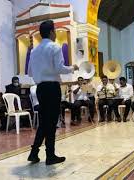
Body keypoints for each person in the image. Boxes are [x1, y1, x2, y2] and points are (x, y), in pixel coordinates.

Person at [27, 20, 79, 165]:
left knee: (44, 121)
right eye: (55, 31)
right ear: (51, 32)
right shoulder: (54, 47)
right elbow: (59, 68)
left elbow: (30, 72)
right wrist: (72, 68)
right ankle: (50, 156)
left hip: (40, 89)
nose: (55, 34)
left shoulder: (34, 50)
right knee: (50, 123)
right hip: (52, 89)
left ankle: (34, 152)